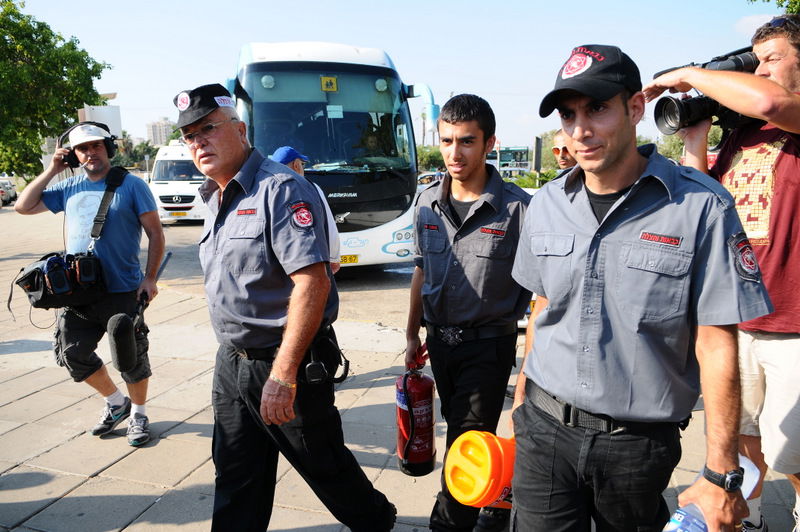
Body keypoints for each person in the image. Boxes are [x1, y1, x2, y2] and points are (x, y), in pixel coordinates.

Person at [510, 44, 773, 531]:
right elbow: (542, 307)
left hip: (635, 446)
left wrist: (721, 472)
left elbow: (716, 343)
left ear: (635, 108)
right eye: (568, 115)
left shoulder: (699, 207)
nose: (580, 131)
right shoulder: (546, 204)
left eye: (597, 109)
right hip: (543, 432)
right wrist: (521, 405)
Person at [173, 83, 395, 532]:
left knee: (324, 465)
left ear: (240, 130)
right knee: (236, 474)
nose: (198, 142)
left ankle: (377, 522)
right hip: (231, 363)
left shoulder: (280, 188)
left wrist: (283, 374)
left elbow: (313, 282)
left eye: (208, 129)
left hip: (282, 362)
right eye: (190, 136)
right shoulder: (214, 195)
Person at [644, 15, 800, 531]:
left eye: (772, 58)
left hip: (793, 325)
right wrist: (695, 138)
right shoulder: (742, 135)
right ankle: (748, 519)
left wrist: (691, 74)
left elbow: (771, 102)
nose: (760, 69)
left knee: (794, 452)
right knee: (744, 437)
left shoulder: (791, 115)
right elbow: (705, 199)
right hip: (741, 318)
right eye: (756, 61)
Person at [405, 93, 532, 532]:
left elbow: (541, 293)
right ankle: (498, 500)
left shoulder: (517, 209)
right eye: (446, 141)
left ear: (489, 143)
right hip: (440, 345)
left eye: (466, 141)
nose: (454, 153)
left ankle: (448, 524)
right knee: (459, 429)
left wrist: (530, 368)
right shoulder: (426, 203)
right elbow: (421, 270)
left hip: (489, 346)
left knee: (466, 440)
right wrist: (411, 336)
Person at [15, 122, 165, 447]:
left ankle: (139, 414)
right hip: (77, 292)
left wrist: (150, 278)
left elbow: (155, 233)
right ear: (74, 155)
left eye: (96, 146)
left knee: (131, 357)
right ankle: (116, 403)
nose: (90, 153)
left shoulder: (132, 186)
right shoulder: (69, 186)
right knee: (72, 352)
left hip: (122, 289)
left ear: (108, 148)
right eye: (82, 149)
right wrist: (52, 169)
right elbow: (23, 206)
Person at [270, 146, 341, 273]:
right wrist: (334, 257)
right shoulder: (312, 188)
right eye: (302, 164)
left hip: (278, 264)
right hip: (311, 262)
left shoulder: (267, 191)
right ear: (296, 165)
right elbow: (329, 227)